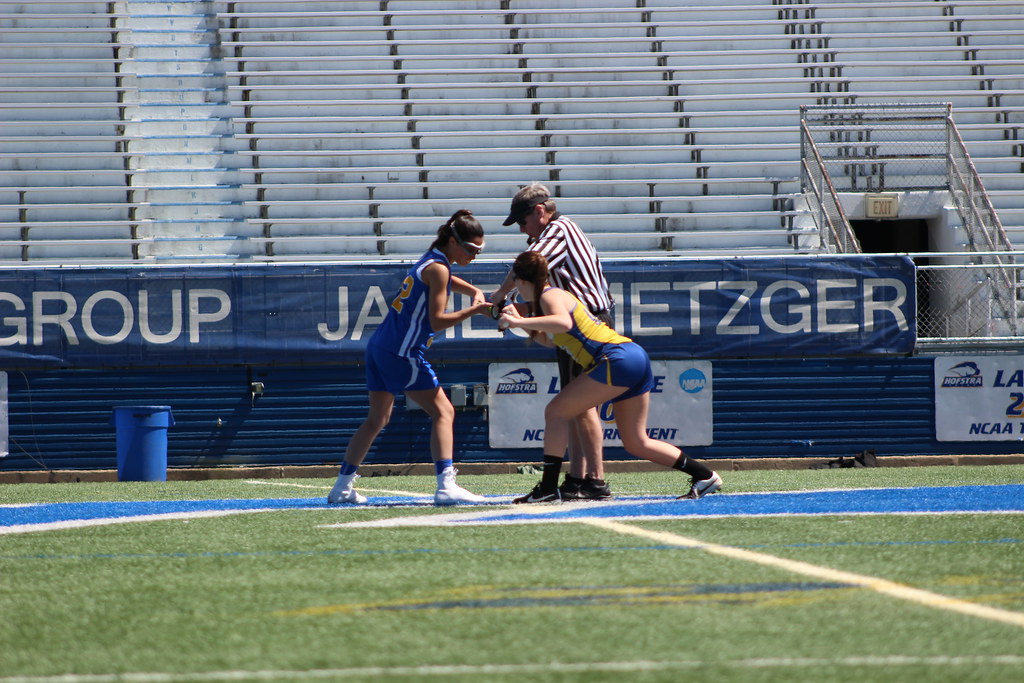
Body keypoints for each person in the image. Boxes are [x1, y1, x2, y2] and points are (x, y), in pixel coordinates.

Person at [499, 251, 722, 503]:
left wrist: (519, 320)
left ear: (521, 281)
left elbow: (562, 323)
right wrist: (518, 323)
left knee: (556, 411)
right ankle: (705, 475)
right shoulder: (550, 299)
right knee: (636, 442)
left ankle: (548, 488)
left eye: (515, 283)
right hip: (630, 357)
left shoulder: (550, 296)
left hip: (616, 358)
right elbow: (550, 340)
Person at [328, 209, 492, 506]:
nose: (474, 256)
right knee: (444, 412)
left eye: (479, 251)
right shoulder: (440, 268)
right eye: (470, 249)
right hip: (402, 352)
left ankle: (341, 487)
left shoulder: (433, 257)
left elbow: (445, 279)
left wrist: (472, 289)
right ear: (453, 241)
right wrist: (475, 309)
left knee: (377, 419)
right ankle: (446, 485)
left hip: (380, 346)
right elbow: (438, 320)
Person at [490, 183, 615, 501]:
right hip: (582, 322)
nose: (522, 229)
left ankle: (595, 480)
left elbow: (528, 266)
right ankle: (577, 478)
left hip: (585, 324)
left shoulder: (559, 229)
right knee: (574, 405)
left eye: (523, 221)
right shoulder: (557, 231)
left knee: (581, 404)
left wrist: (502, 295)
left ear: (540, 211)